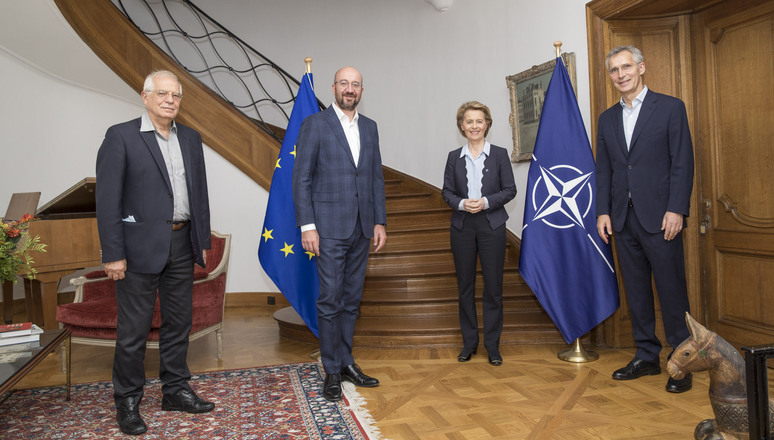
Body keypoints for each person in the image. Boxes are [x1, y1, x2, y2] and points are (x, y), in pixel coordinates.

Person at [96, 70, 215, 435]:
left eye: (176, 95)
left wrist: (202, 242)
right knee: (133, 330)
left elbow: (199, 194)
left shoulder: (191, 139)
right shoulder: (120, 137)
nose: (170, 100)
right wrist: (113, 253)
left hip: (181, 243)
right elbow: (107, 200)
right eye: (162, 93)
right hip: (136, 250)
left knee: (179, 323)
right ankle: (128, 401)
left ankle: (175, 390)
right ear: (145, 96)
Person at [595, 46, 694, 393]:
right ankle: (646, 355)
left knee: (672, 292)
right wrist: (603, 211)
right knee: (636, 291)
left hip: (662, 217)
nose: (620, 74)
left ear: (641, 67)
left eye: (626, 67)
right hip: (622, 219)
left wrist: (677, 209)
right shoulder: (606, 118)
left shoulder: (670, 108)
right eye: (614, 70)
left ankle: (682, 362)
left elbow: (682, 162)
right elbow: (604, 169)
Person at [293, 66, 387, 402]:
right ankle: (331, 370)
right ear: (334, 87)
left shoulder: (370, 128)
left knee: (351, 301)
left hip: (362, 228)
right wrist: (307, 226)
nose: (350, 89)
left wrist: (379, 222)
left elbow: (375, 177)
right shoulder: (314, 125)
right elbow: (301, 178)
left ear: (362, 90)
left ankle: (347, 363)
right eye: (344, 83)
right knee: (330, 300)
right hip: (327, 229)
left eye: (356, 84)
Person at [442, 101, 516, 366]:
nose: (474, 126)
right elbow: (447, 192)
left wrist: (485, 202)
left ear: (487, 124)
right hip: (462, 227)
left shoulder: (499, 154)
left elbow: (510, 190)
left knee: (493, 288)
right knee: (465, 288)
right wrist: (462, 204)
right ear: (462, 126)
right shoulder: (453, 157)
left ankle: (492, 347)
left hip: (492, 225)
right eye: (469, 121)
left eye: (479, 121)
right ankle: (469, 343)